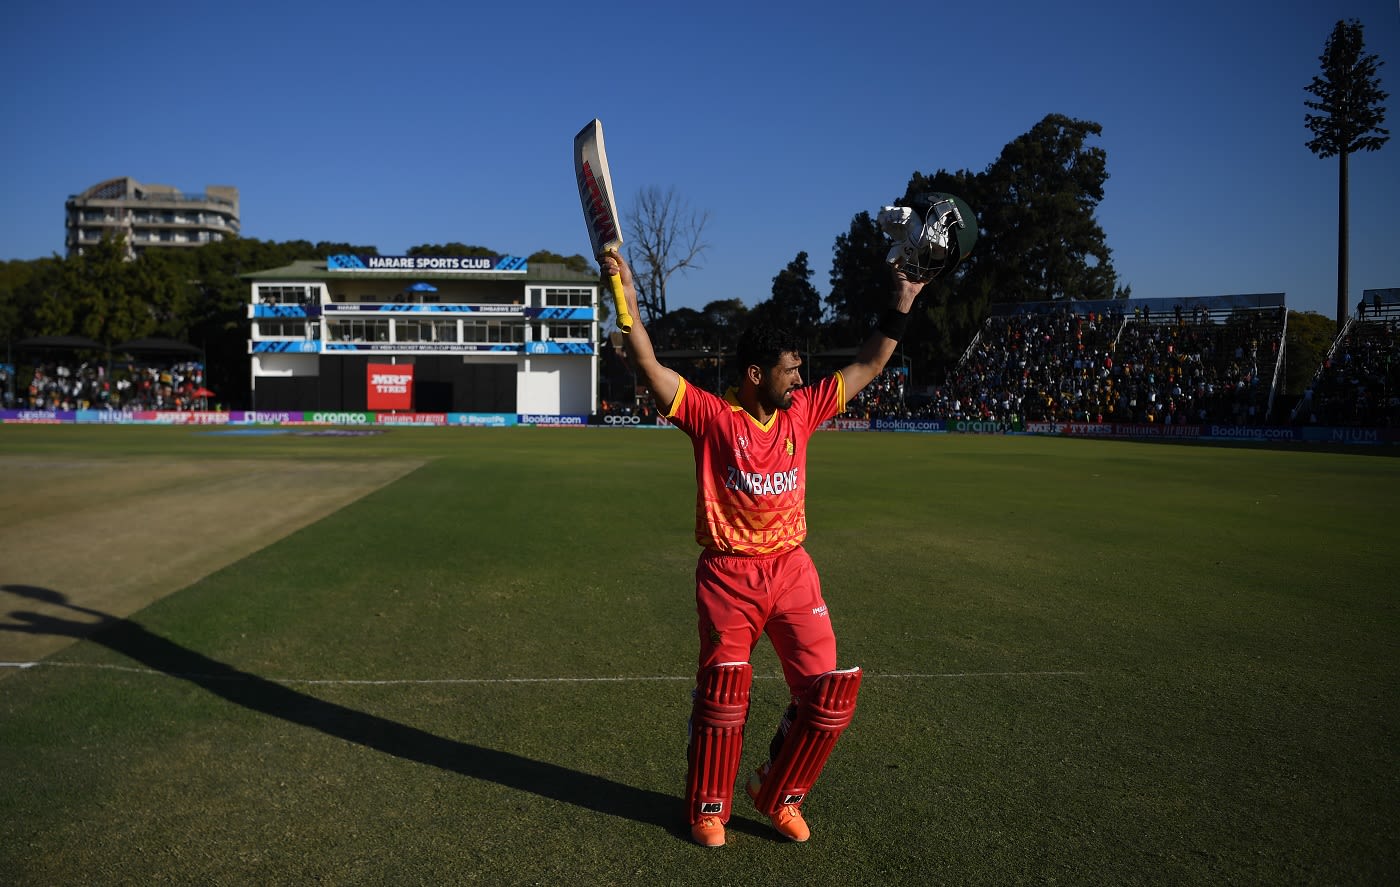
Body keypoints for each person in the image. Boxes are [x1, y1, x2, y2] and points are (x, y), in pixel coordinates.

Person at [604, 193, 976, 848]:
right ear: (755, 375)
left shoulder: (802, 411)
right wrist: (625, 299)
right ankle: (709, 807)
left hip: (793, 573)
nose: (800, 375)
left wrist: (904, 298)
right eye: (789, 366)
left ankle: (777, 792)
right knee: (725, 694)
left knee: (829, 697)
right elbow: (650, 366)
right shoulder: (713, 419)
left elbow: (869, 363)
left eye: (800, 366)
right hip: (729, 577)